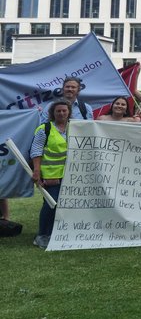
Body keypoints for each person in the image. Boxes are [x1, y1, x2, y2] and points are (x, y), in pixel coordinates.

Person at [30, 100, 71, 248]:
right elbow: (36, 151)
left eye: (64, 111)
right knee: (50, 204)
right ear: (53, 113)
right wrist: (37, 172)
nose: (61, 113)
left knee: (61, 205)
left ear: (69, 112)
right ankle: (42, 235)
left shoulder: (74, 128)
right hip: (51, 175)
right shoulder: (45, 129)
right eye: (58, 111)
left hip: (69, 175)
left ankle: (54, 233)